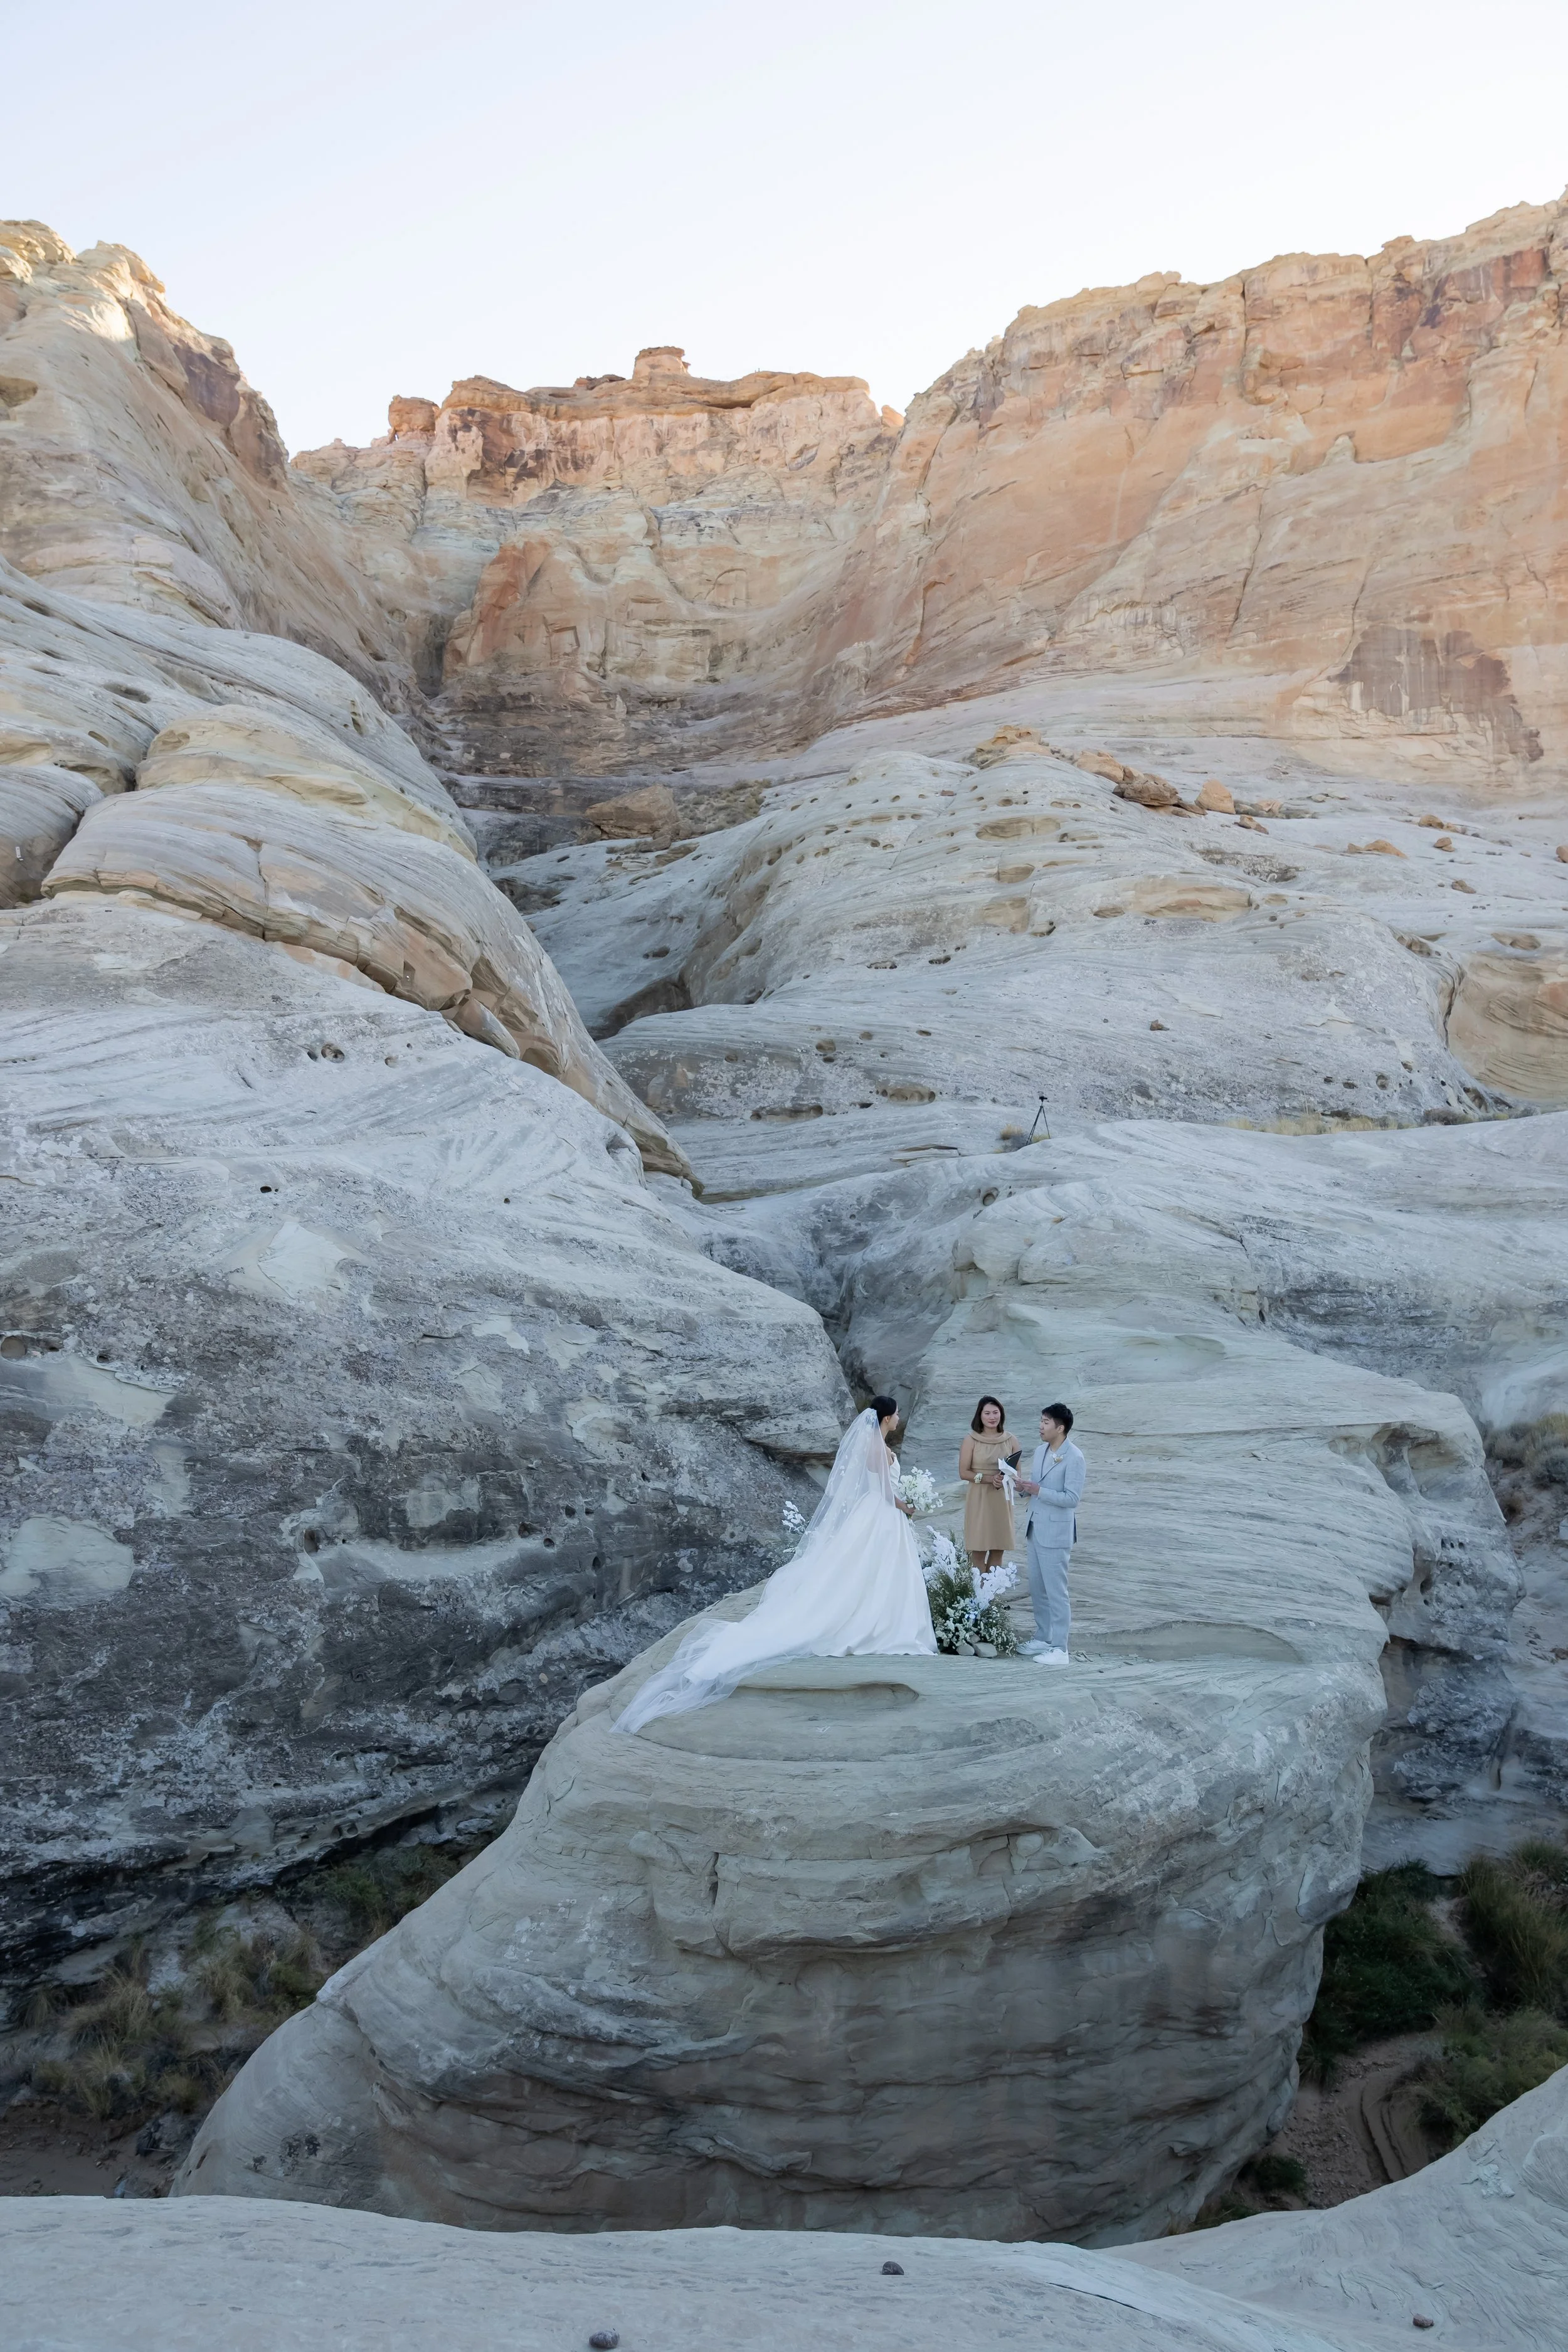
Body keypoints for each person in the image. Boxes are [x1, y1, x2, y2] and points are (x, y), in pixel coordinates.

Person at [615, 1397, 936, 1732]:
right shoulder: (875, 1449)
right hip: (882, 1514)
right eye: (897, 1413)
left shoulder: (879, 1445)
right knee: (871, 1570)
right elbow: (885, 1490)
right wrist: (908, 1506)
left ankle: (878, 1617)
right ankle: (878, 1623)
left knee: (875, 1572)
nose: (899, 1417)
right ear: (886, 1418)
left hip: (881, 1517)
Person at [1014, 1402, 1085, 1666]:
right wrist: (1021, 1487)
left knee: (1057, 1591)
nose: (1040, 1427)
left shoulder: (1075, 1457)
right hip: (1035, 1527)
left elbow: (1072, 1499)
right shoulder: (1042, 1450)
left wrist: (1038, 1491)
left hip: (1056, 1532)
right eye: (1041, 1421)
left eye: (1046, 1422)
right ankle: (1043, 1637)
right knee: (1038, 1588)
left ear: (1060, 1427)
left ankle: (1060, 1648)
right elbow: (1036, 1486)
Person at [958, 1394, 1019, 1570]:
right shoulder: (971, 1439)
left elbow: (1017, 1471)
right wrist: (987, 1479)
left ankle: (992, 1594)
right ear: (980, 1415)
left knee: (998, 1549)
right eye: (987, 1413)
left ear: (1001, 1414)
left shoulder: (1011, 1440)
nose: (992, 1417)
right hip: (979, 1498)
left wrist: (1006, 1479)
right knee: (978, 1550)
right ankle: (979, 1595)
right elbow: (963, 1472)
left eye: (995, 1412)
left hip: (1001, 1498)